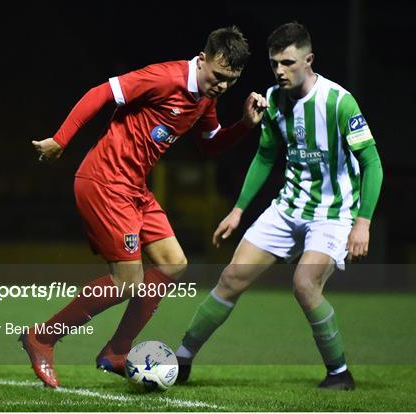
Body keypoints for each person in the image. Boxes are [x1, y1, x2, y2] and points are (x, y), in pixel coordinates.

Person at [20, 26, 268, 388]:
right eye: (218, 76)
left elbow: (210, 145)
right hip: (104, 180)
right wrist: (61, 139)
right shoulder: (164, 77)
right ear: (202, 59)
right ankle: (42, 337)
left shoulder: (206, 99)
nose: (222, 86)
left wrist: (244, 126)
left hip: (134, 188)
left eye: (231, 80)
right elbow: (101, 92)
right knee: (127, 282)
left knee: (173, 263)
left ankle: (117, 352)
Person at [175, 22, 383, 390]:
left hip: (332, 214)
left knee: (304, 284)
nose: (280, 71)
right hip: (288, 208)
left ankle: (339, 373)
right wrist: (239, 209)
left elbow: (372, 162)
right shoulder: (272, 100)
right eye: (275, 64)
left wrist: (362, 222)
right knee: (231, 277)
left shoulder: (338, 101)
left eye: (288, 62)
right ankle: (182, 360)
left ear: (309, 60)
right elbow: (266, 156)